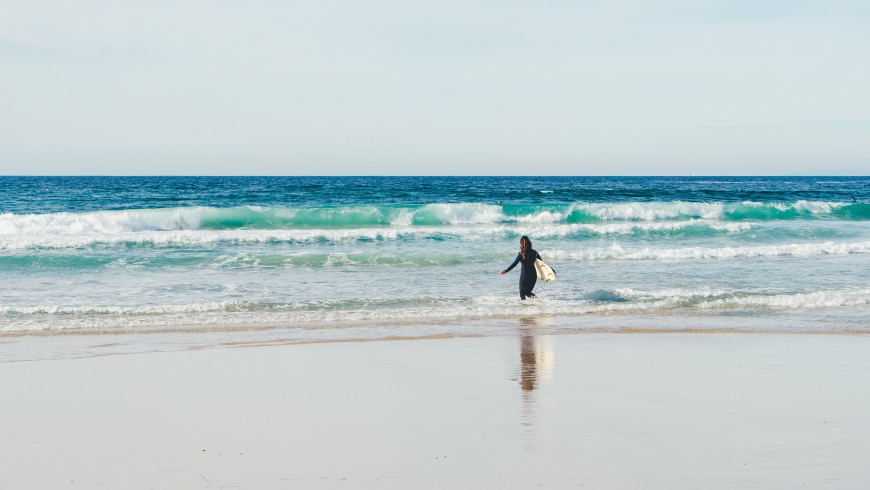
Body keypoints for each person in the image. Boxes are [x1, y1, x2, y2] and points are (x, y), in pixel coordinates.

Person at [500, 235, 542, 300]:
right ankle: (538, 302)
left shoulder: (521, 254)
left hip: (525, 277)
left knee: (522, 295)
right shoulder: (534, 252)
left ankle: (524, 308)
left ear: (521, 244)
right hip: (533, 276)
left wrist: (506, 270)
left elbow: (514, 264)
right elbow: (542, 264)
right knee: (528, 293)